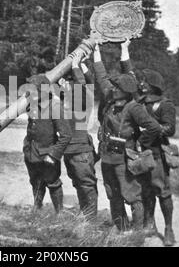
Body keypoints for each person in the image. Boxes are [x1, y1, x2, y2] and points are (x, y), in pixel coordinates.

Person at [89, 42, 162, 231]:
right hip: (107, 158)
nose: (112, 88)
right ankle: (121, 230)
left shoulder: (134, 108)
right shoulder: (110, 98)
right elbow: (101, 76)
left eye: (117, 87)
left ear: (125, 91)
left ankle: (136, 234)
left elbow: (153, 127)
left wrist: (139, 142)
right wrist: (96, 51)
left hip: (124, 160)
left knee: (132, 196)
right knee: (113, 195)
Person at [137, 68, 177, 246]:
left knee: (162, 191)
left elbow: (170, 128)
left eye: (145, 81)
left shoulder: (165, 104)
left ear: (153, 85)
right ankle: (149, 224)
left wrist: (151, 130)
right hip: (141, 152)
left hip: (158, 153)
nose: (141, 84)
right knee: (146, 190)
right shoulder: (140, 103)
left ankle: (168, 228)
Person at [58, 56, 99, 221]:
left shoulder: (84, 101)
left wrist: (76, 66)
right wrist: (79, 65)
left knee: (86, 185)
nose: (67, 85)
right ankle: (85, 214)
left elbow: (85, 84)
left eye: (70, 82)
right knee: (79, 184)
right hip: (70, 150)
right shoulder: (66, 101)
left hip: (81, 150)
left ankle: (91, 220)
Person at [23, 89, 72, 213]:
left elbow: (66, 135)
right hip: (31, 152)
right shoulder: (32, 103)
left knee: (53, 183)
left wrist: (54, 155)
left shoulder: (54, 106)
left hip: (47, 154)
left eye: (35, 89)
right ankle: (37, 208)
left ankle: (59, 213)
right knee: (35, 181)